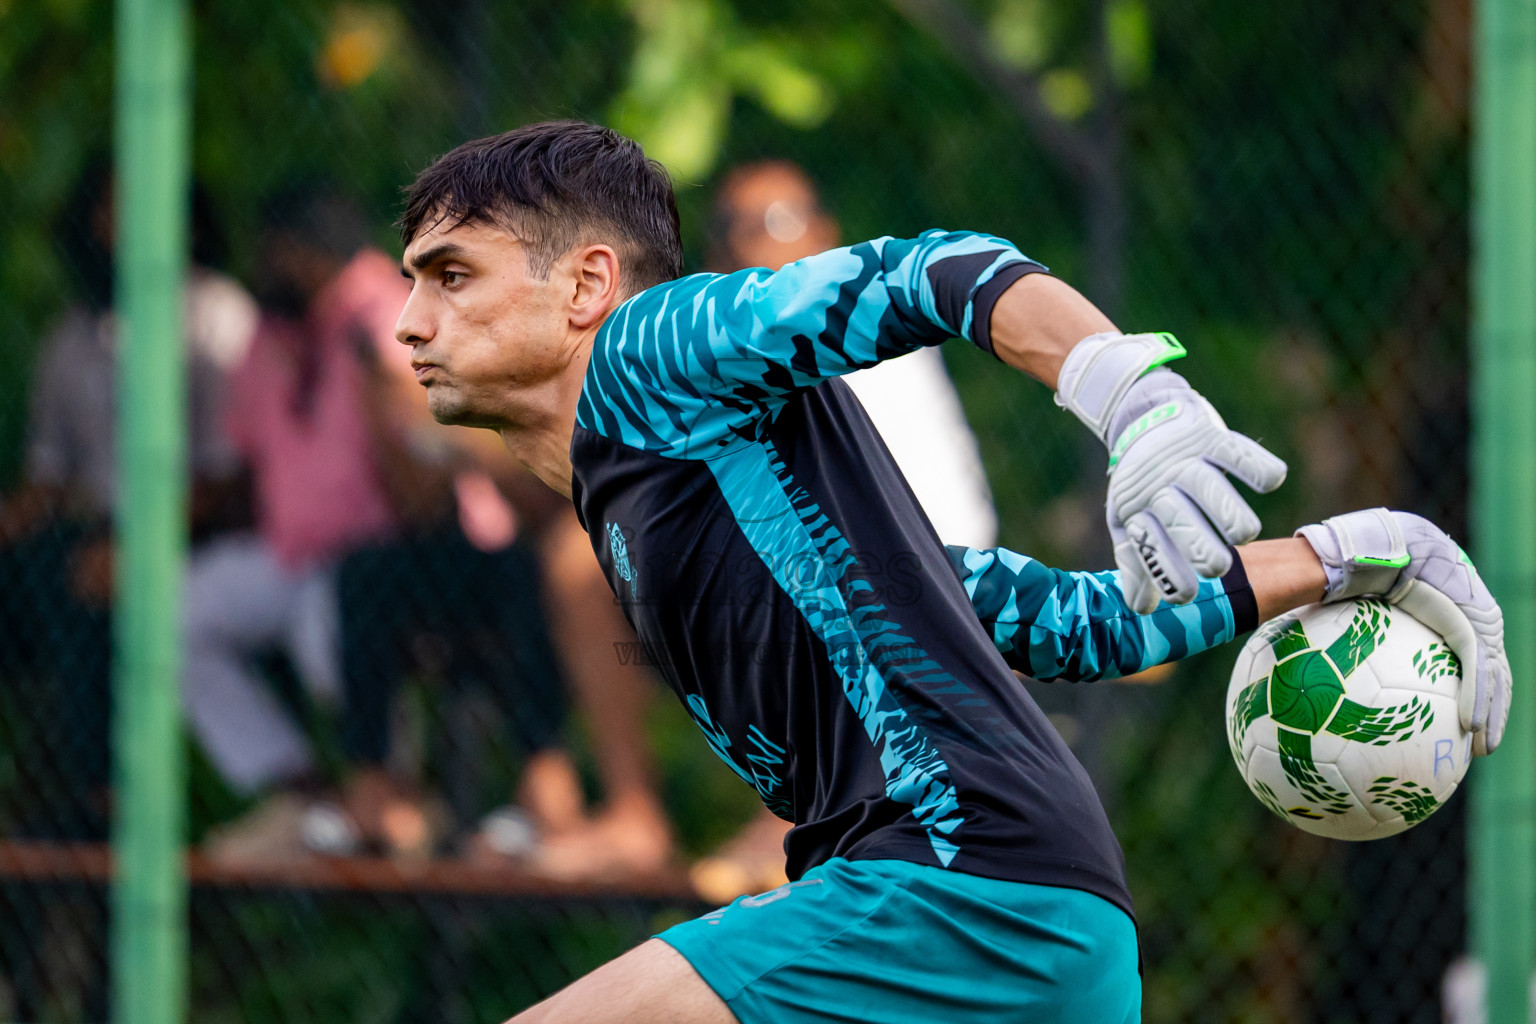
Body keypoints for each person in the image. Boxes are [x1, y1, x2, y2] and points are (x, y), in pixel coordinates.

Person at [391, 121, 1510, 1023]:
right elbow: (1077, 627)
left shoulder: (648, 350)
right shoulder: (681, 485)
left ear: (587, 284)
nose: (408, 322)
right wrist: (1341, 552)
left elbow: (934, 268)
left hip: (953, 888)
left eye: (450, 274)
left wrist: (1128, 392)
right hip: (1045, 922)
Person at [692, 159, 1003, 901]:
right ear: (720, 258)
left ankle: (811, 813)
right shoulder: (740, 352)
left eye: (796, 219)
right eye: (760, 227)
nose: (785, 241)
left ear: (829, 233)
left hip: (932, 574)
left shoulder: (850, 325)